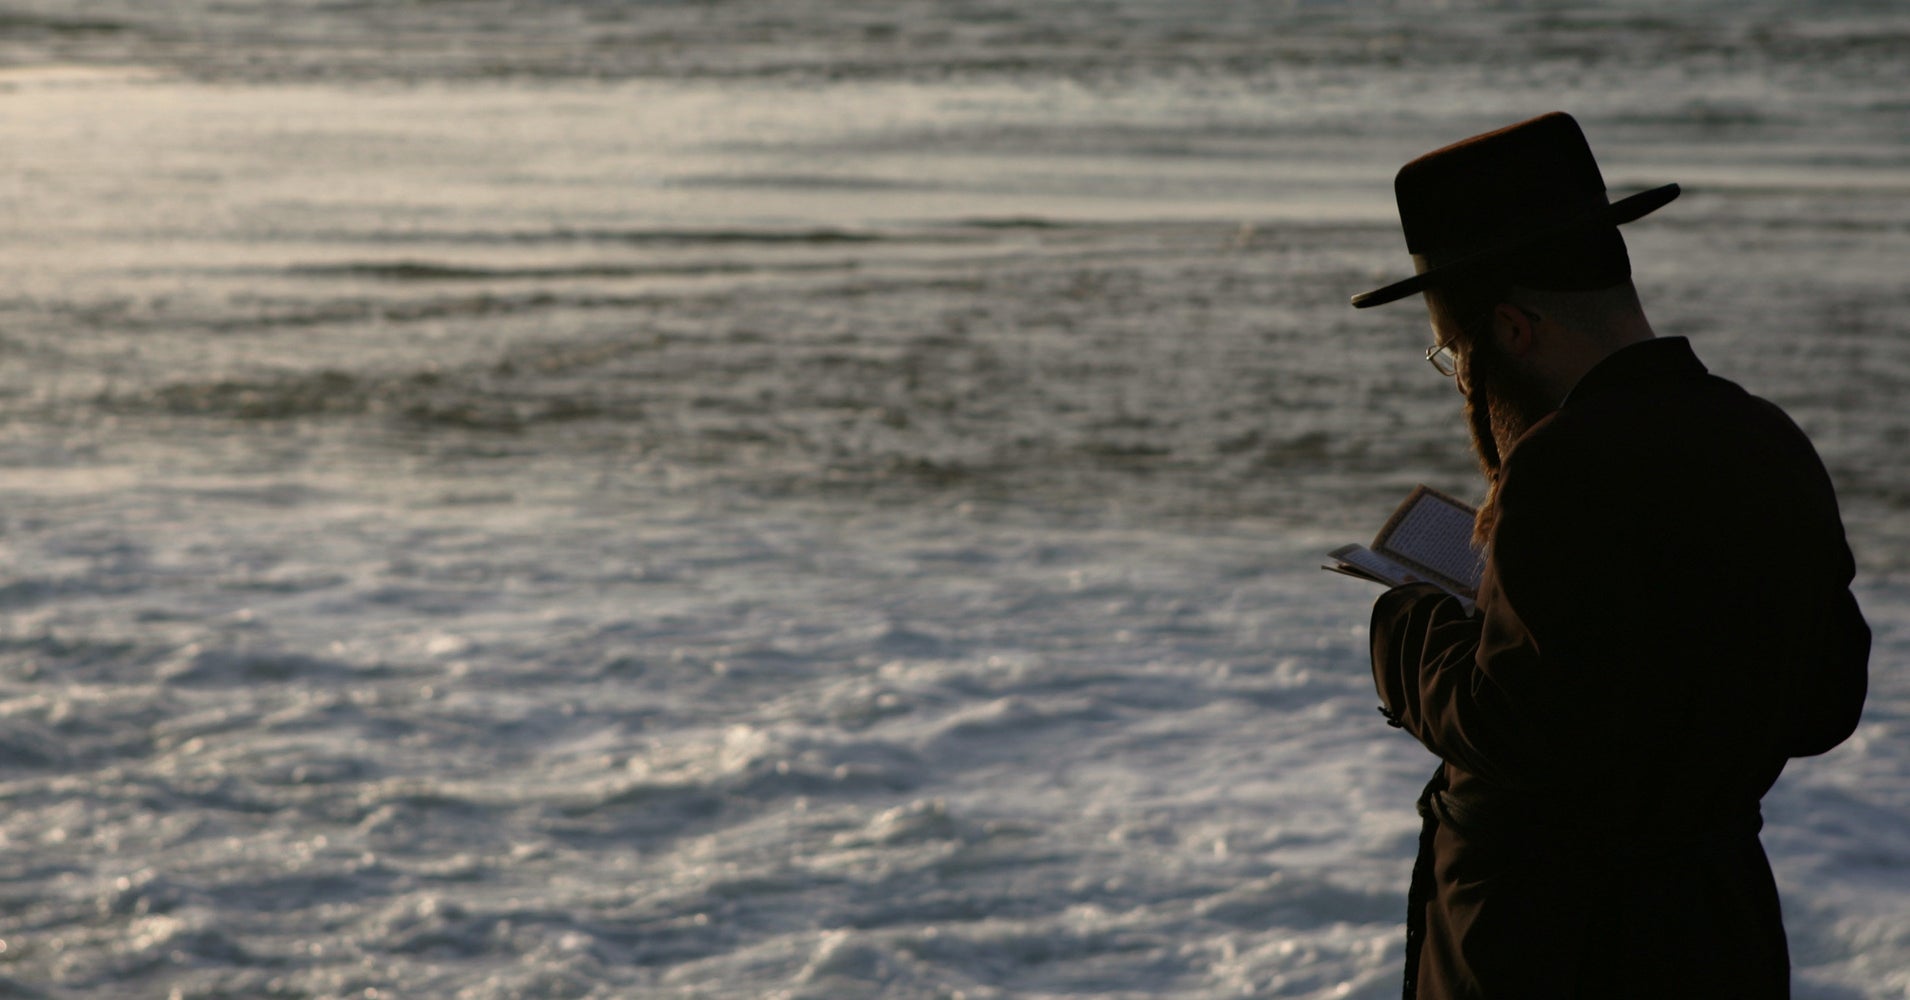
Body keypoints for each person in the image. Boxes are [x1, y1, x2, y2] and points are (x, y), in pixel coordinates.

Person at [1348, 112, 1871, 999]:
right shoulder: (1765, 438)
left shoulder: (1562, 465)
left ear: (1513, 330)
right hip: (1718, 931)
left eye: (1455, 357)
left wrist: (1407, 624)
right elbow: (1827, 701)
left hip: (1547, 948)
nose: (1464, 385)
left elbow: (1515, 721)